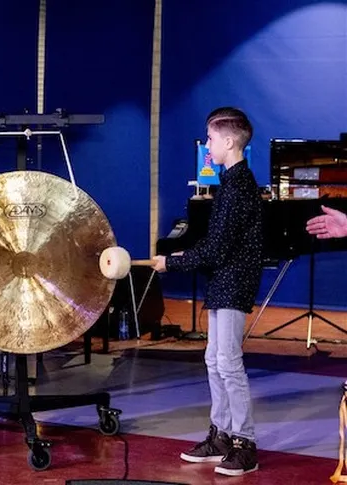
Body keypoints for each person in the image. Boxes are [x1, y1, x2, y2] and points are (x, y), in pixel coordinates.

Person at [152, 107, 262, 477]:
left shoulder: (239, 186)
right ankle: (221, 435)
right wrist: (181, 256)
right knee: (214, 359)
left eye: (211, 138)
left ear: (229, 142)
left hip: (233, 282)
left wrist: (172, 263)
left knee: (228, 362)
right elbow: (216, 243)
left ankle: (244, 443)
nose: (207, 145)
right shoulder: (230, 183)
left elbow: (217, 250)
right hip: (222, 281)